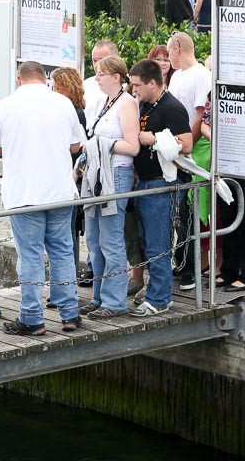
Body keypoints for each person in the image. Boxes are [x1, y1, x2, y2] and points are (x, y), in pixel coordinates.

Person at [0, 61, 86, 335]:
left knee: (30, 255)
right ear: (45, 79)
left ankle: (32, 318)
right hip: (59, 191)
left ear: (19, 80)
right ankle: (70, 314)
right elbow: (76, 145)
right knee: (63, 252)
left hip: (24, 192)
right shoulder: (63, 103)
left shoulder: (6, 105)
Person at [129, 58, 193, 310]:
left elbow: (185, 144)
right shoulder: (145, 104)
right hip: (144, 183)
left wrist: (153, 139)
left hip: (161, 185)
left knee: (158, 243)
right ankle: (155, 291)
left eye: (137, 85)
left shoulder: (171, 108)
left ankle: (160, 298)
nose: (134, 90)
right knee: (148, 242)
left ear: (153, 83)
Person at [79, 56, 140, 319]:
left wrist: (103, 144)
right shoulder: (102, 103)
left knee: (111, 238)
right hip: (96, 172)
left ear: (117, 77)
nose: (97, 78)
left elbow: (133, 146)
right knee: (93, 238)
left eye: (102, 74)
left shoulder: (126, 104)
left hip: (116, 172)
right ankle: (98, 296)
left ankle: (114, 301)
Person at [167, 31, 211, 290]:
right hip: (176, 151)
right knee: (180, 213)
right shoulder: (177, 76)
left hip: (192, 152)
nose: (168, 55)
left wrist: (186, 146)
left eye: (170, 50)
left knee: (192, 211)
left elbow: (199, 116)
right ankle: (181, 261)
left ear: (179, 49)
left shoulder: (200, 76)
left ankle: (191, 269)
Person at [51, 66, 88, 278]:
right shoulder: (72, 110)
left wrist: (77, 174)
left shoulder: (74, 113)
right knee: (68, 232)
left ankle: (67, 281)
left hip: (73, 176)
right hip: (69, 175)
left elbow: (81, 148)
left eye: (57, 88)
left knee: (69, 232)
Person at [82, 39, 119, 109]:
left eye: (101, 60)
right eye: (94, 61)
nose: (97, 64)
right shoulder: (86, 85)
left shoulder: (128, 86)